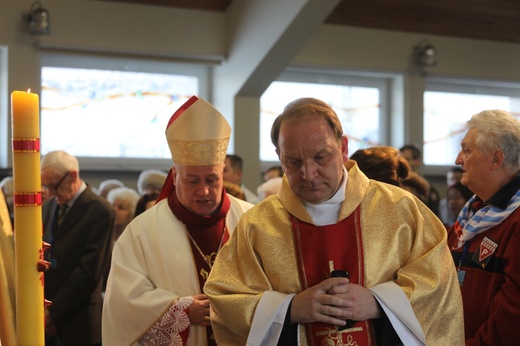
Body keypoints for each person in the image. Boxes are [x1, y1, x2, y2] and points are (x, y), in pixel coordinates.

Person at [205, 97, 464, 345]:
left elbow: (438, 288)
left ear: (343, 148)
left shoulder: (401, 210)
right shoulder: (257, 226)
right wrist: (290, 309)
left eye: (320, 157)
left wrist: (378, 303)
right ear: (279, 155)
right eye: (293, 162)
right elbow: (226, 302)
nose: (308, 174)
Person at [102, 96, 254, 346]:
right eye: (193, 180)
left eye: (212, 180)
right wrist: (180, 310)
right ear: (174, 176)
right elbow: (122, 303)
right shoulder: (142, 232)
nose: (204, 191)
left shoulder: (251, 220)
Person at [447, 109, 520, 344]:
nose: (458, 159)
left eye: (466, 150)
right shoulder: (471, 214)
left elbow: (512, 322)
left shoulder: (516, 221)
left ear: (496, 159)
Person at [41, 150, 115, 346]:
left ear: (72, 176)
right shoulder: (49, 207)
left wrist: (53, 312)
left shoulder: (101, 211)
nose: (49, 193)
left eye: (54, 186)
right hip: (47, 316)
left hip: (79, 319)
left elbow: (89, 271)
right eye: (46, 187)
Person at [399, 144, 440, 215]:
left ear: (417, 162)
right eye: (400, 159)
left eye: (407, 159)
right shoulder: (395, 185)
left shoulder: (430, 190)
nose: (402, 163)